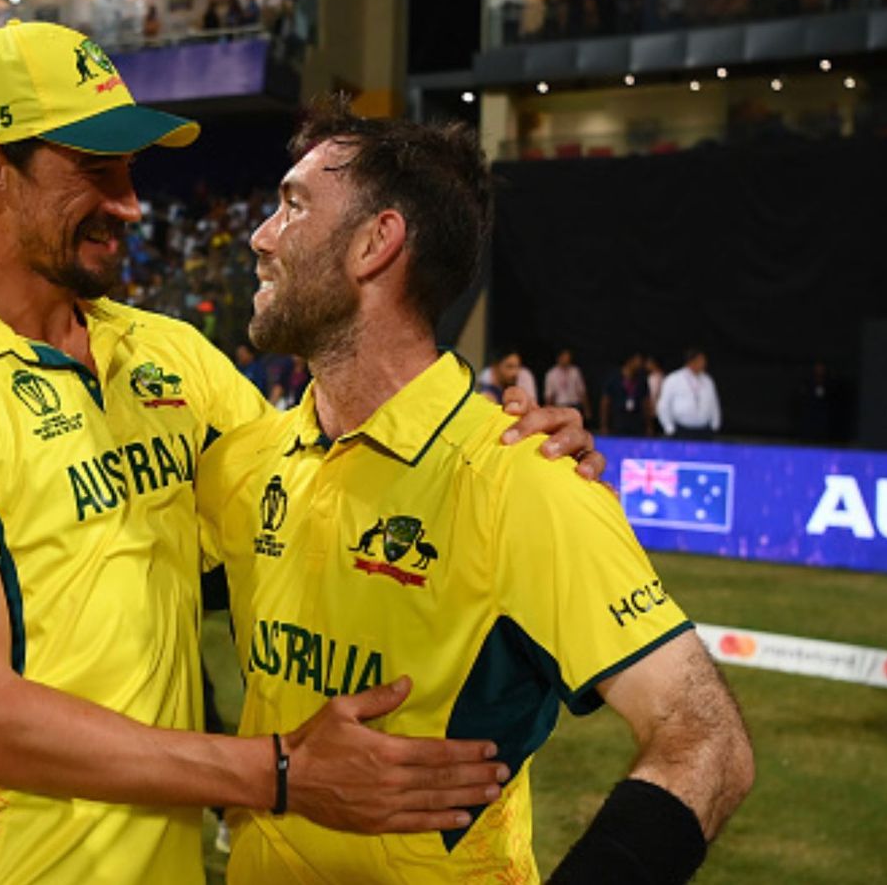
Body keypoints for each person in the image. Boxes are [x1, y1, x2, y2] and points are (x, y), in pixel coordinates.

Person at [0, 21, 602, 885]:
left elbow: (321, 472)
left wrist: (499, 443)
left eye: (131, 170)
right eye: (96, 168)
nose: (130, 202)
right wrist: (279, 773)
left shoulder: (169, 355)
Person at [196, 99, 752, 884]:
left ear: (374, 243)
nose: (259, 238)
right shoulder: (245, 463)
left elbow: (707, 743)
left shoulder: (522, 478)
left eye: (291, 207)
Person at [656, 348, 721, 439]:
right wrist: (669, 428)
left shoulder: (707, 380)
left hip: (705, 431)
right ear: (692, 362)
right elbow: (663, 405)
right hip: (682, 430)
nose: (704, 363)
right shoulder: (674, 379)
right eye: (701, 360)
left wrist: (715, 424)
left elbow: (714, 403)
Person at [600, 352, 650, 436]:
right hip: (618, 421)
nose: (641, 363)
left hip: (637, 422)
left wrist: (649, 426)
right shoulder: (614, 378)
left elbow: (645, 403)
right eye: (638, 360)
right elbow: (605, 402)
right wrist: (604, 425)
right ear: (630, 361)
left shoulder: (642, 380)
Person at [543, 347, 590, 419]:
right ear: (559, 358)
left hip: (575, 406)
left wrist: (587, 409)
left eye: (568, 358)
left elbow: (582, 391)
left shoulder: (575, 371)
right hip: (560, 407)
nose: (566, 360)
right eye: (564, 357)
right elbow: (549, 396)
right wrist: (547, 412)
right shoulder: (551, 374)